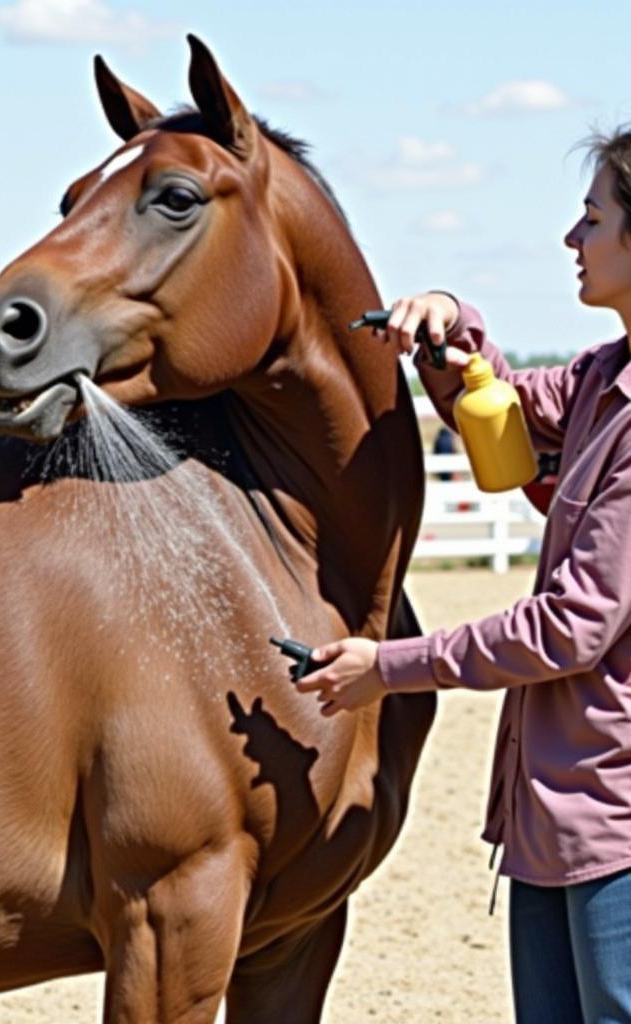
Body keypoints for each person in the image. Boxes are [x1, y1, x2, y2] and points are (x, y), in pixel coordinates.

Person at [296, 126, 631, 1024]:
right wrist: (449, 318)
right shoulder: (606, 379)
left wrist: (388, 666)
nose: (572, 239)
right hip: (558, 814)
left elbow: (572, 627)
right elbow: (504, 407)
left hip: (619, 822)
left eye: (592, 218)